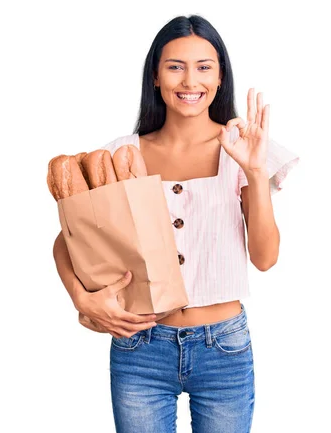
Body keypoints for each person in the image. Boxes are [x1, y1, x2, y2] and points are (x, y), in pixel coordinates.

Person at [52, 14, 299, 433]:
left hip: (222, 346)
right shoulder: (120, 155)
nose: (190, 81)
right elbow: (69, 238)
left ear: (221, 77)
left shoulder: (244, 147)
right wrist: (81, 298)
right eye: (175, 66)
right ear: (155, 77)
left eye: (204, 66)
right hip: (141, 347)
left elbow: (265, 258)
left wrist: (255, 174)